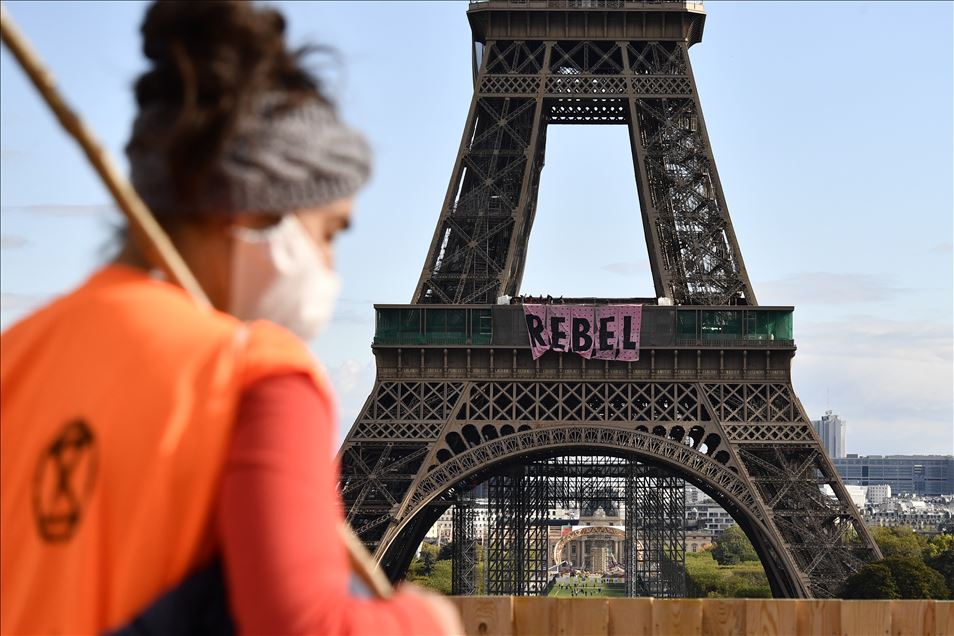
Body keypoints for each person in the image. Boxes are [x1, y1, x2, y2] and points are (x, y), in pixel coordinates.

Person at [0, 2, 462, 635]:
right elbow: (305, 628)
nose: (329, 267)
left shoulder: (17, 355)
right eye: (329, 233)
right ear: (252, 212)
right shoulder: (254, 375)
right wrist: (425, 620)